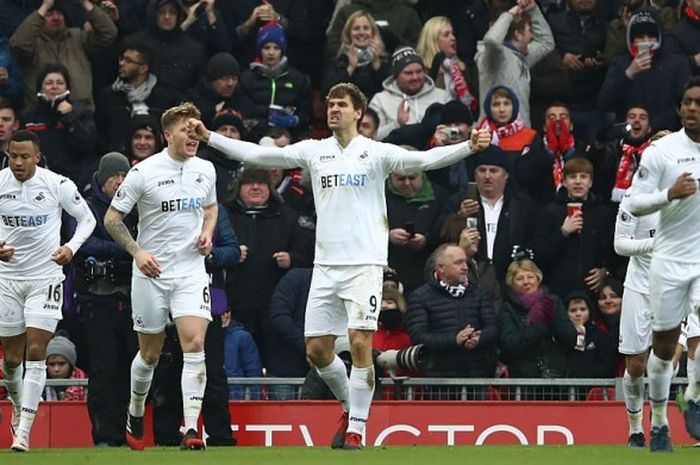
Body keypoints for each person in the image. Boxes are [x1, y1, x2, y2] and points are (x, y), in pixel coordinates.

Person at [187, 82, 491, 449]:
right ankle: (352, 405)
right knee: (316, 350)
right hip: (326, 266)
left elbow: (424, 161)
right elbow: (258, 155)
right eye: (330, 104)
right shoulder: (316, 152)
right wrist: (210, 138)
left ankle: (357, 429)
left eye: (341, 105)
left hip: (364, 264)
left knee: (361, 342)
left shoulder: (375, 153)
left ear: (358, 113)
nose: (333, 110)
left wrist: (467, 147)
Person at [104, 102, 218, 451]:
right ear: (167, 135)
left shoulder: (207, 170)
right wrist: (138, 252)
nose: (194, 134)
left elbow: (211, 208)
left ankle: (190, 429)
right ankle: (136, 409)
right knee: (150, 354)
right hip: (152, 273)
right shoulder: (143, 172)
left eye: (198, 128)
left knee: (195, 344)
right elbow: (112, 219)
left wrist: (208, 233)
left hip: (190, 272)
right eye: (187, 129)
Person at [0, 129, 96, 452]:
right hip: (6, 278)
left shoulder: (57, 184)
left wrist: (70, 248)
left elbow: (88, 220)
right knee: (12, 360)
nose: (18, 162)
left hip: (45, 277)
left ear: (36, 156)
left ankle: (24, 432)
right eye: (13, 156)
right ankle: (17, 405)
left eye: (24, 156)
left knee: (37, 350)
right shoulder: (0, 183)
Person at [623, 77, 700, 452]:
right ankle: (660, 423)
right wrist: (669, 194)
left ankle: (696, 398)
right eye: (687, 102)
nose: (691, 108)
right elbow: (634, 204)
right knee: (664, 349)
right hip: (668, 260)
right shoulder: (661, 151)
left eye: (698, 103)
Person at [69, 151, 138, 447]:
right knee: (102, 371)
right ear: (102, 177)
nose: (120, 182)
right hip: (97, 299)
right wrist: (126, 247)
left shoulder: (137, 204)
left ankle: (126, 433)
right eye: (115, 176)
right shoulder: (84, 206)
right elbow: (81, 241)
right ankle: (104, 437)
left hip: (133, 298)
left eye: (124, 177)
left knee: (130, 369)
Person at [406, 243, 498, 396]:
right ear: (441, 268)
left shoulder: (480, 292)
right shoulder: (420, 297)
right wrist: (454, 340)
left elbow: (493, 328)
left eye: (465, 262)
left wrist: (479, 338)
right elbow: (418, 336)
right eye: (458, 263)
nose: (465, 267)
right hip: (439, 382)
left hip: (476, 378)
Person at [10, 0, 117, 109]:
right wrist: (45, 6)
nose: (56, 18)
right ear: (39, 18)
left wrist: (85, 3)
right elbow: (18, 44)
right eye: (49, 14)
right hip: (43, 114)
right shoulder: (32, 44)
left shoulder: (78, 37)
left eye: (59, 13)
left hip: (81, 113)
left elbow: (108, 34)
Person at [475, 0, 554, 125]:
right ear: (518, 34)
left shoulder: (522, 56)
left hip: (520, 134)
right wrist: (509, 14)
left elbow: (546, 43)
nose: (532, 37)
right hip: (493, 135)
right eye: (530, 31)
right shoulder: (494, 56)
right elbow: (491, 41)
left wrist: (532, 9)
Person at [368, 46, 450, 141]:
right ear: (396, 76)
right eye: (408, 73)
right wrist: (397, 124)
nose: (415, 77)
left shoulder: (442, 96)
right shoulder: (380, 100)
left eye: (419, 72)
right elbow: (371, 138)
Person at [321, 10, 390, 102]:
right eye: (356, 28)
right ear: (349, 34)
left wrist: (376, 63)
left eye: (366, 28)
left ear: (373, 33)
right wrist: (350, 68)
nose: (361, 32)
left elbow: (391, 93)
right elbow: (327, 94)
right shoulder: (338, 62)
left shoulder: (385, 61)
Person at [43, 331, 87, 401]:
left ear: (71, 365)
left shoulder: (86, 386)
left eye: (61, 364)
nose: (56, 369)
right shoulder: (40, 386)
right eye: (51, 364)